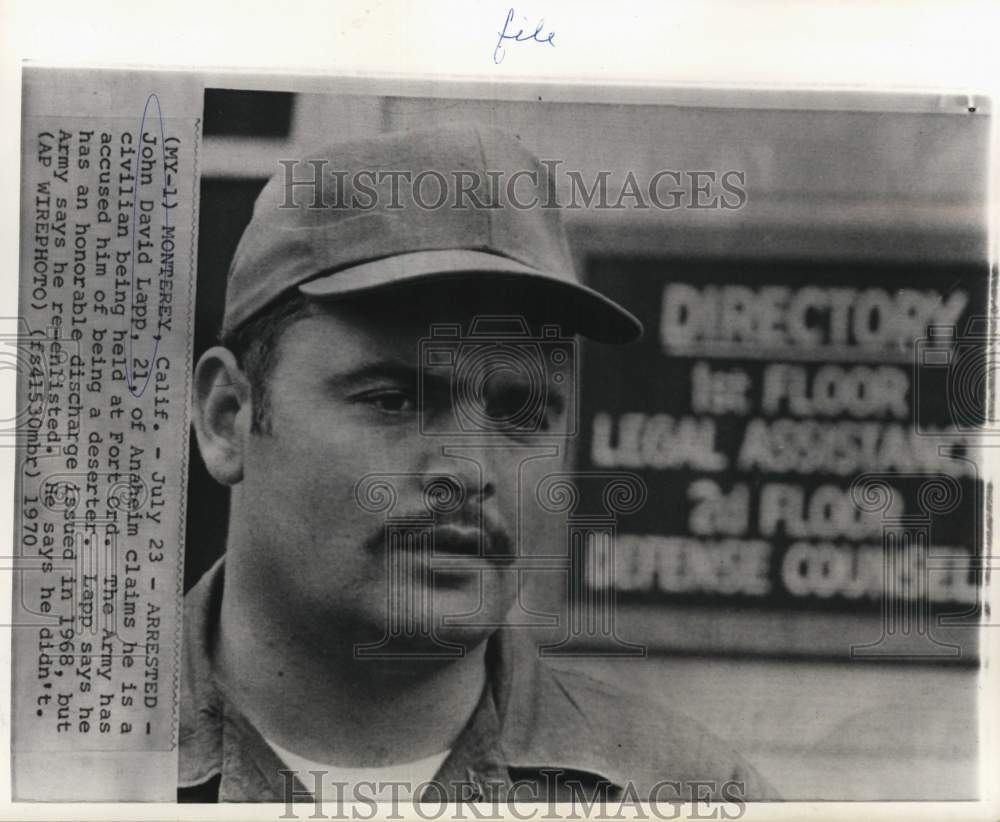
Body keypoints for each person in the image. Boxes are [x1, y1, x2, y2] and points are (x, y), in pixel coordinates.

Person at [181, 124, 775, 805]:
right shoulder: (60, 752)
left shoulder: (687, 793)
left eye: (520, 411)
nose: (468, 470)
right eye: (395, 399)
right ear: (228, 417)